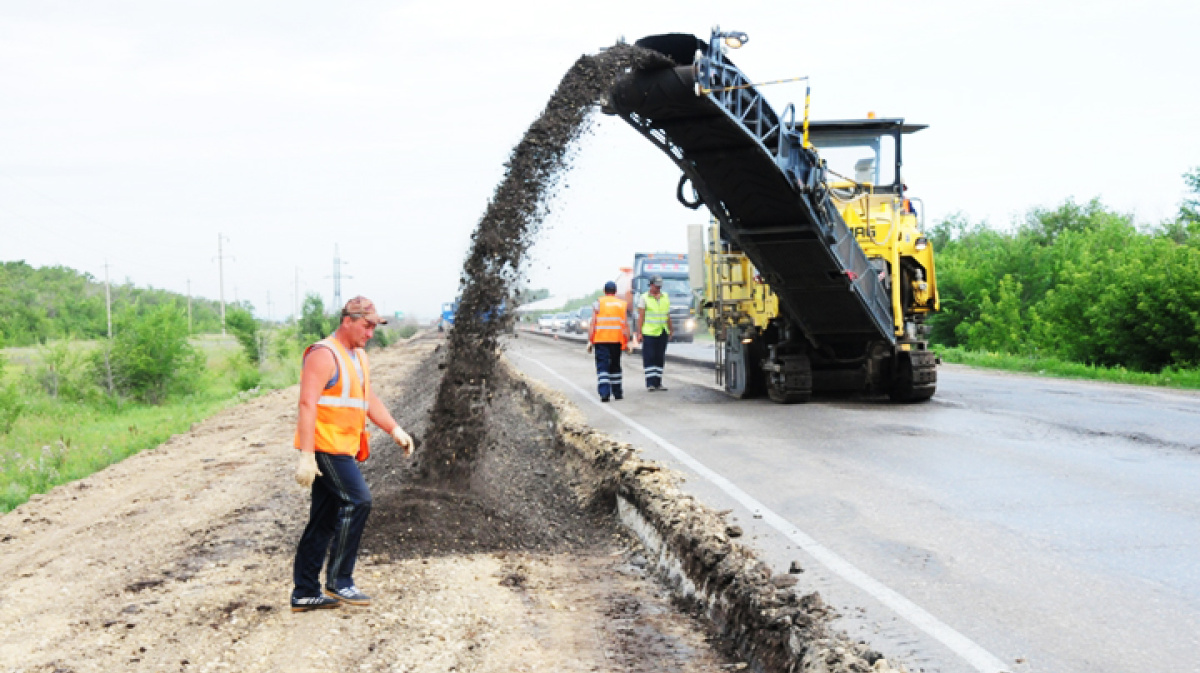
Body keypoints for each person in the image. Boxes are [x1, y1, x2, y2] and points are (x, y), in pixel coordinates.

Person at [291, 296, 414, 613]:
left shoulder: (357, 356)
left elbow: (366, 397)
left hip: (343, 446)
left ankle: (305, 592)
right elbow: (307, 404)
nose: (371, 333)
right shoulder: (323, 354)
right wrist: (306, 455)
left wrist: (393, 429)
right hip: (326, 446)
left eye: (375, 326)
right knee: (359, 500)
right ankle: (340, 579)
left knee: (323, 520)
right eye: (367, 325)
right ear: (348, 320)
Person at [586, 281, 630, 402]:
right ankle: (617, 393)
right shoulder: (621, 304)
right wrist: (628, 342)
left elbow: (593, 323)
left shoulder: (598, 303)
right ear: (615, 292)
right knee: (615, 366)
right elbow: (625, 325)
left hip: (601, 340)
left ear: (604, 291)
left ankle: (604, 393)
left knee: (603, 367)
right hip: (616, 341)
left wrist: (590, 340)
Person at [635, 275, 672, 391]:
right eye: (656, 286)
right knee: (649, 357)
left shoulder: (665, 297)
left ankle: (658, 382)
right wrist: (639, 333)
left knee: (659, 357)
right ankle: (650, 383)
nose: (658, 288)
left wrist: (671, 329)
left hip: (662, 331)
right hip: (649, 332)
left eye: (660, 286)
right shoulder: (644, 298)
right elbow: (641, 317)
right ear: (651, 285)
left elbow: (667, 315)